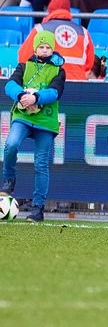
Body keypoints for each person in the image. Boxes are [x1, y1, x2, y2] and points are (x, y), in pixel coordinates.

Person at [1, 30, 66, 222]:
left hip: (45, 121)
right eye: (41, 47)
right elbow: (10, 85)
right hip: (22, 115)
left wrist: (36, 97)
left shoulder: (59, 70)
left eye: (48, 47)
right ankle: (9, 179)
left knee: (41, 164)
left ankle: (38, 209)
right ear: (35, 48)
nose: (44, 50)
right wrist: (21, 96)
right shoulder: (24, 65)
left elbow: (55, 92)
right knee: (11, 144)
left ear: (52, 49)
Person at [17, 0, 95, 81]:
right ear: (68, 11)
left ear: (50, 10)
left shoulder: (40, 30)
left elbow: (23, 58)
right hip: (77, 84)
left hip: (48, 84)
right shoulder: (84, 32)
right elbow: (89, 65)